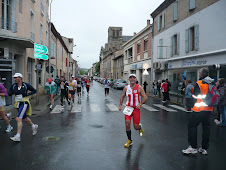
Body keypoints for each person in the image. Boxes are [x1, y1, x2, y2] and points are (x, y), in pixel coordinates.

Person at [182, 68, 213, 155]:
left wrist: (191, 105)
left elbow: (195, 97)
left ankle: (193, 147)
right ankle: (204, 148)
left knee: (192, 126)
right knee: (206, 128)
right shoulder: (211, 83)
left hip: (199, 109)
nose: (199, 74)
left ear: (201, 74)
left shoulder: (199, 83)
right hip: (208, 109)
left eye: (199, 73)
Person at [118, 74, 148, 148]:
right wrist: (120, 105)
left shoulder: (139, 88)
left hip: (136, 109)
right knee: (127, 124)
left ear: (136, 79)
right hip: (128, 108)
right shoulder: (126, 88)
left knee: (136, 127)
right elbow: (122, 96)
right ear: (129, 79)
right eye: (130, 77)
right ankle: (129, 140)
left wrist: (140, 104)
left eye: (133, 77)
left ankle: (140, 127)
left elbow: (145, 97)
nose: (132, 79)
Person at [8, 73, 38, 142]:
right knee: (25, 118)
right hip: (18, 103)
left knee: (18, 118)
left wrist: (28, 94)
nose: (15, 79)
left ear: (20, 78)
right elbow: (10, 93)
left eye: (16, 77)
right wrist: (10, 92)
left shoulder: (25, 85)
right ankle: (34, 126)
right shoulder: (14, 86)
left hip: (24, 103)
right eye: (14, 78)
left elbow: (34, 90)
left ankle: (18, 136)